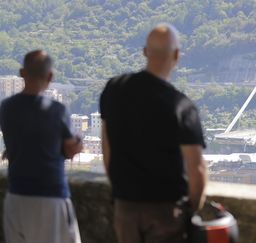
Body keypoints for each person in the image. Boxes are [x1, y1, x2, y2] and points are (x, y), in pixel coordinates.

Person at [100, 23, 207, 243]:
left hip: (125, 208)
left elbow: (106, 145)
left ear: (145, 52)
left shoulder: (114, 89)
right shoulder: (182, 106)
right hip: (165, 211)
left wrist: (120, 190)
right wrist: (191, 209)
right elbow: (196, 169)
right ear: (176, 55)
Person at [0, 50, 83, 243]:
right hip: (50, 196)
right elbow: (71, 148)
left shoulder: (6, 108)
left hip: (16, 196)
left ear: (22, 73)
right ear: (50, 76)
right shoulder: (57, 110)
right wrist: (77, 142)